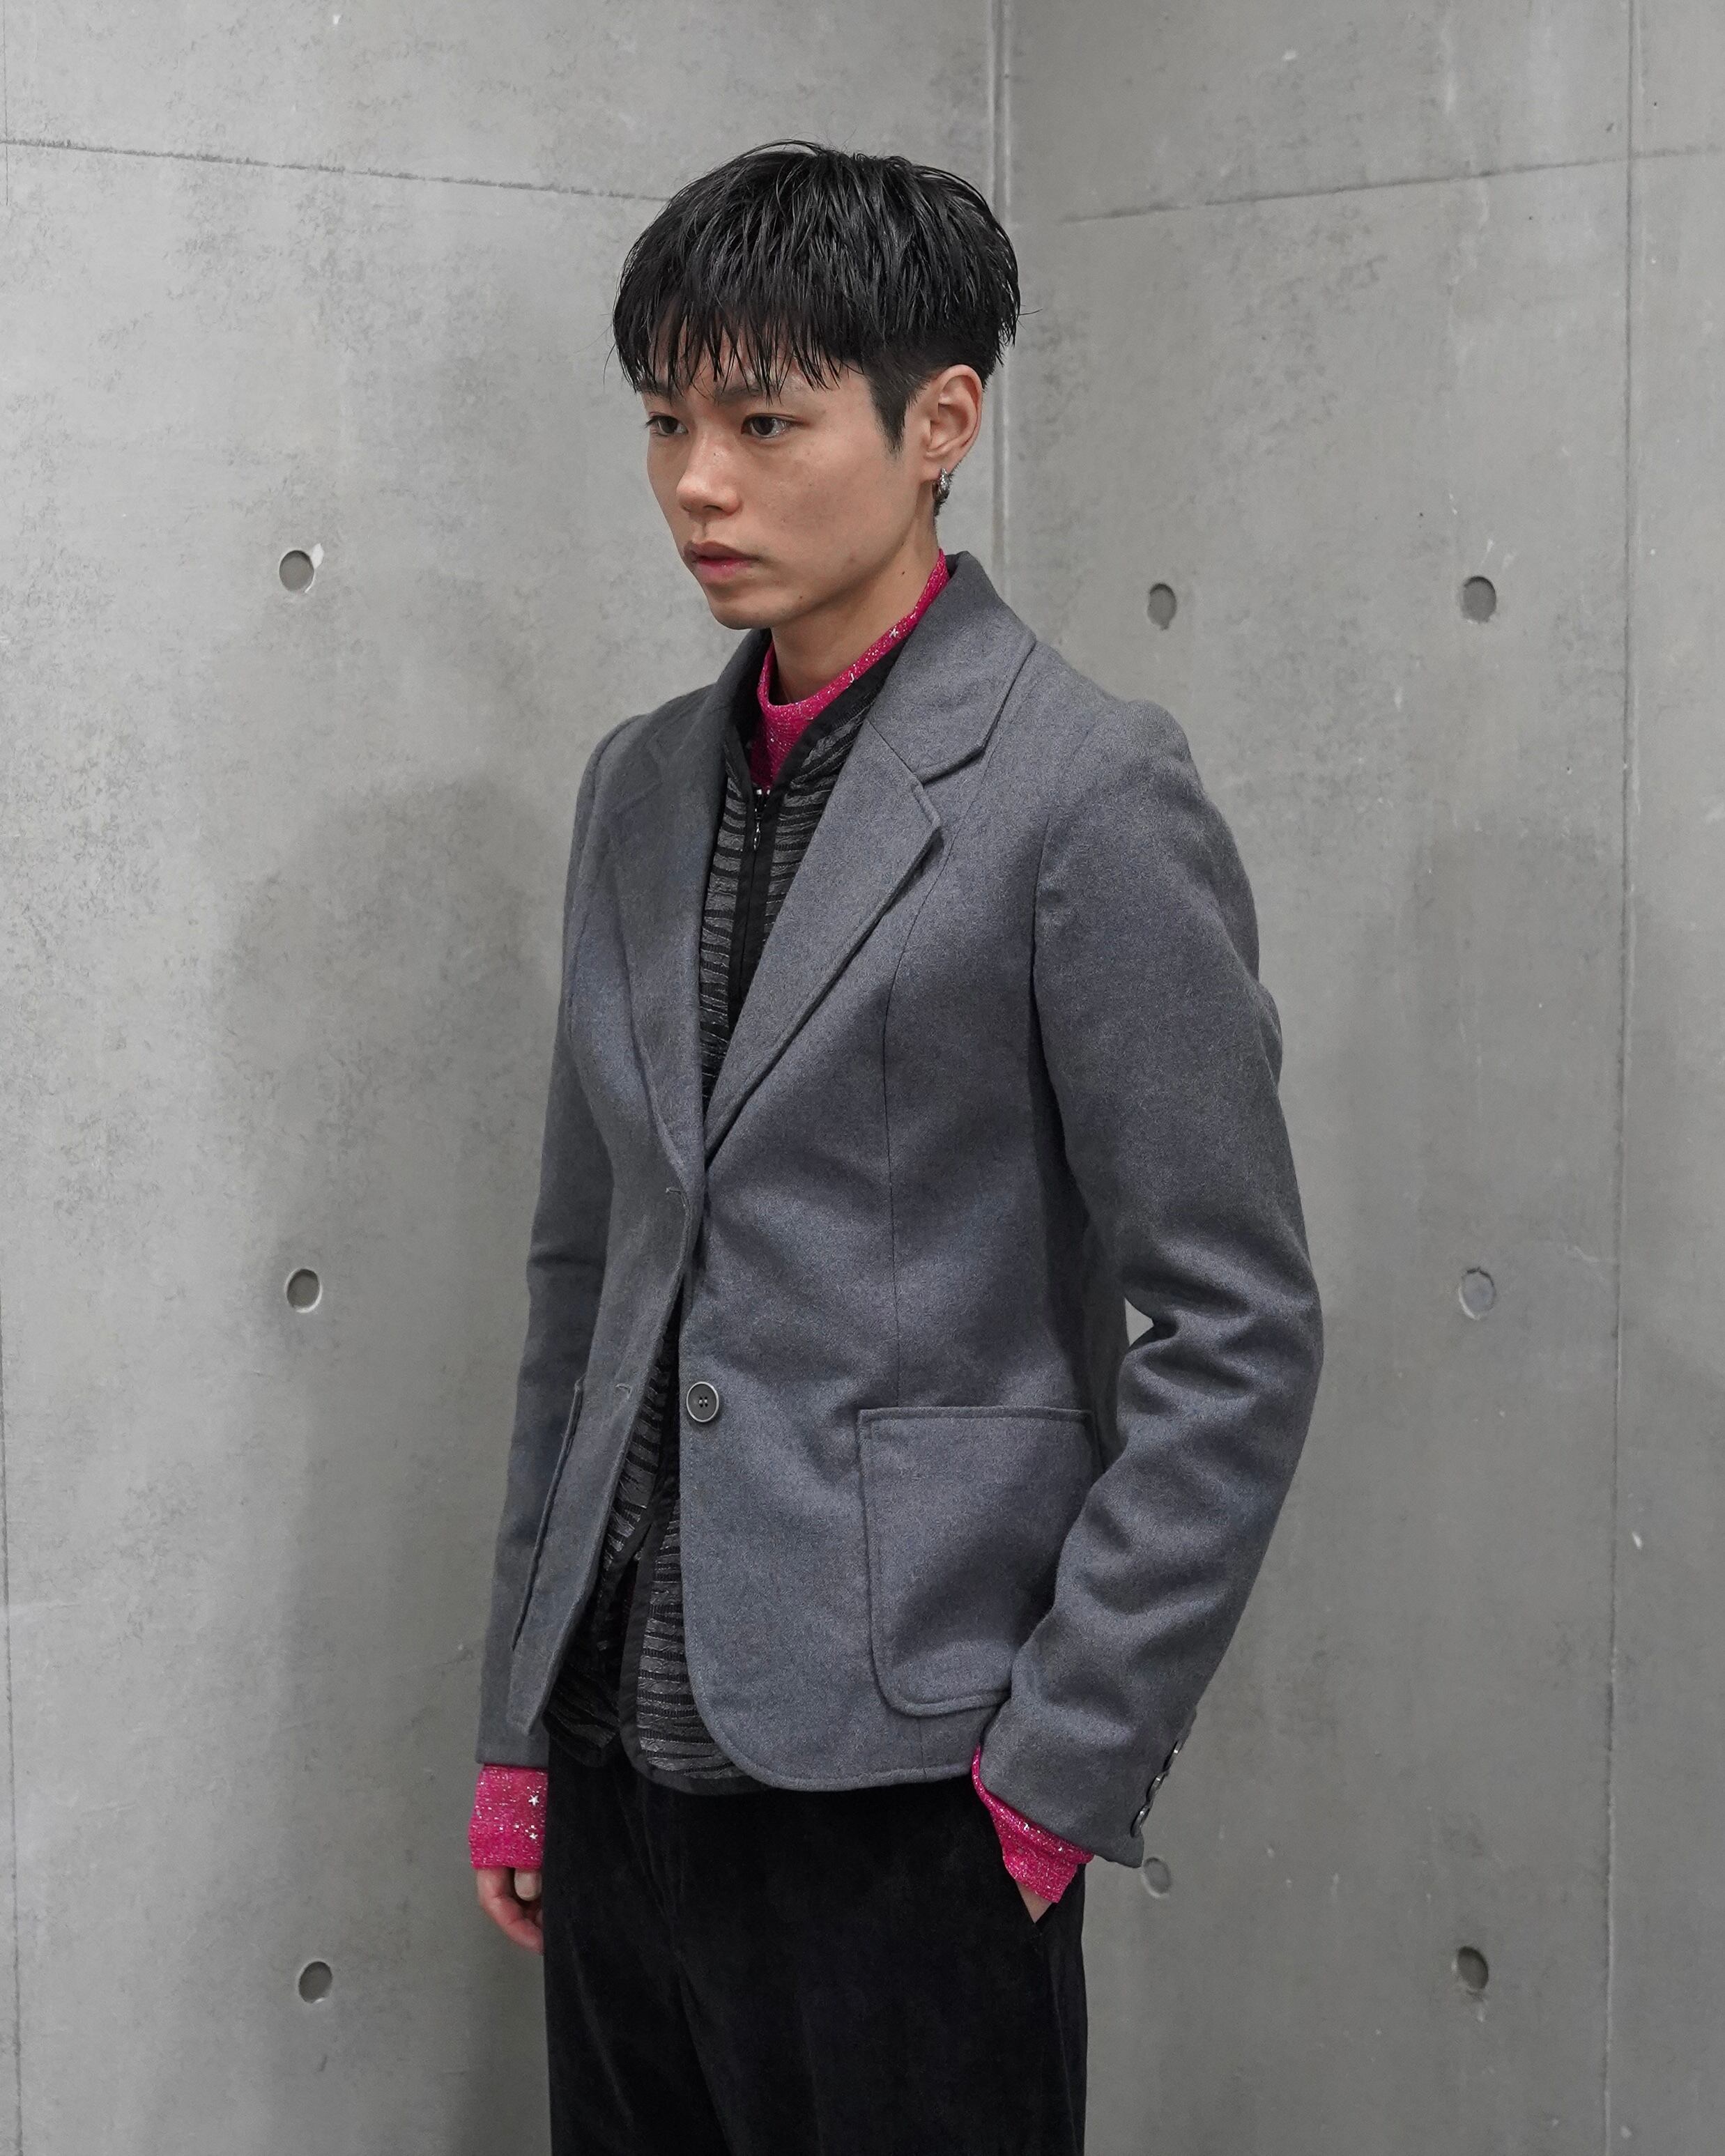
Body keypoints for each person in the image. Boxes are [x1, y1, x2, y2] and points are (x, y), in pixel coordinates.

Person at [465, 140, 1324, 2155]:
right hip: (617, 1764)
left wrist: (1056, 1769)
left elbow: (1237, 1325)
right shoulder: (637, 787)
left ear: (941, 422)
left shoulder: (1085, 793)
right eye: (666, 421)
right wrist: (520, 1718)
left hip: (912, 1788)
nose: (698, 482)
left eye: (764, 423)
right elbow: (586, 1284)